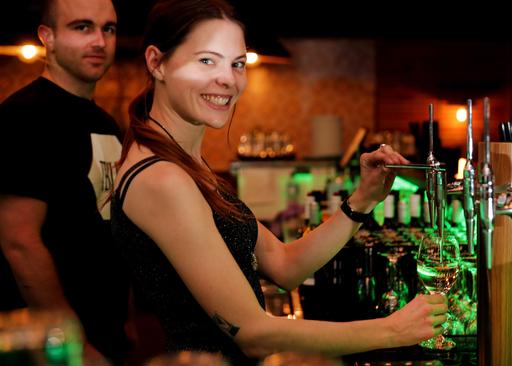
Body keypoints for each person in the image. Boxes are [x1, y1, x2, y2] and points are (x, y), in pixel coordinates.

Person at [111, 0, 447, 364]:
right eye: (206, 60)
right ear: (156, 63)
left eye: (236, 63)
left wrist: (362, 200)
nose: (227, 78)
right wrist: (391, 330)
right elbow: (254, 334)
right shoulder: (162, 178)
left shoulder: (186, 163)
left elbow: (285, 265)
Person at [0, 0, 131, 364]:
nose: (100, 41)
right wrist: (72, 343)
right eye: (82, 27)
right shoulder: (24, 118)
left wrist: (126, 321)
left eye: (109, 29)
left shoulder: (106, 124)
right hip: (50, 348)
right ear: (48, 37)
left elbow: (109, 229)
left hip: (106, 333)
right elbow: (18, 242)